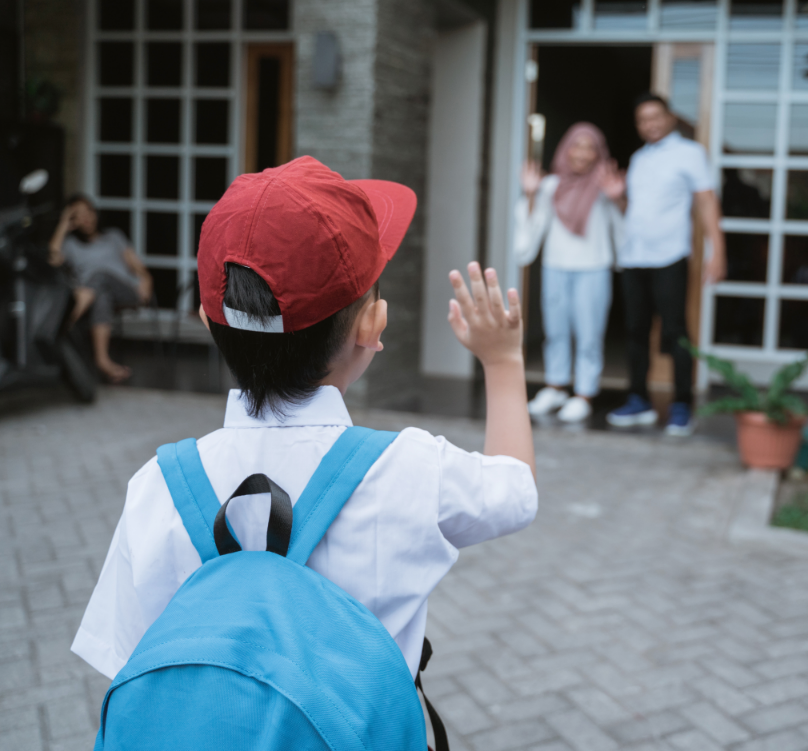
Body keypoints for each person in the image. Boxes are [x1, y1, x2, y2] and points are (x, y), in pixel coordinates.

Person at [71, 157, 538, 697]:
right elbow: (516, 489)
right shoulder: (411, 469)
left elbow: (127, 664)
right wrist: (503, 364)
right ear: (373, 325)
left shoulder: (157, 486)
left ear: (205, 317)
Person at [606, 94, 726, 436]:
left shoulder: (690, 153)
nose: (650, 124)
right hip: (634, 257)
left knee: (675, 332)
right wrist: (617, 197)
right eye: (643, 120)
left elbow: (706, 202)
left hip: (670, 257)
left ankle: (682, 406)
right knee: (635, 332)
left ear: (670, 117)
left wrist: (717, 251)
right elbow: (636, 211)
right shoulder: (639, 158)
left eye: (655, 117)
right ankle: (639, 400)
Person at [515, 122, 625, 423]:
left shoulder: (604, 186)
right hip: (556, 266)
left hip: (593, 268)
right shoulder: (550, 186)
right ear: (566, 148)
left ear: (598, 153)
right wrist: (531, 195)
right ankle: (555, 387)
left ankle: (584, 394)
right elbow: (530, 230)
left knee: (589, 334)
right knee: (556, 332)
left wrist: (617, 197)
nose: (582, 153)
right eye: (577, 145)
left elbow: (624, 230)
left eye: (590, 147)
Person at [48, 194, 154, 383]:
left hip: (127, 291)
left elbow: (138, 267)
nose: (86, 217)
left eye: (89, 210)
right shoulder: (71, 245)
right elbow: (52, 260)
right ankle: (103, 361)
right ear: (72, 221)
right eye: (78, 214)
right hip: (96, 295)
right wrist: (63, 224)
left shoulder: (113, 236)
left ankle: (61, 325)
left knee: (100, 276)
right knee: (101, 293)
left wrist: (146, 279)